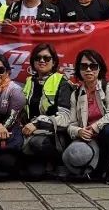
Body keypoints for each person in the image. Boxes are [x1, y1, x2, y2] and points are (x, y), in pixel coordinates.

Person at [58, 49, 109, 180]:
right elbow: (71, 123)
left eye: (93, 66)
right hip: (88, 138)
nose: (88, 70)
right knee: (75, 155)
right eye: (83, 66)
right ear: (78, 70)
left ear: (100, 68)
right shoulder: (75, 94)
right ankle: (90, 170)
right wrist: (79, 131)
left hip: (106, 135)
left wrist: (94, 127)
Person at [19, 43, 72, 179]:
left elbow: (65, 118)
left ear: (54, 62)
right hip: (29, 132)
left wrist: (37, 123)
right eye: (38, 58)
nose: (42, 61)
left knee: (37, 144)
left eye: (47, 58)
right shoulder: (29, 81)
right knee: (32, 173)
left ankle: (58, 161)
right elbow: (22, 110)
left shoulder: (63, 82)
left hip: (52, 134)